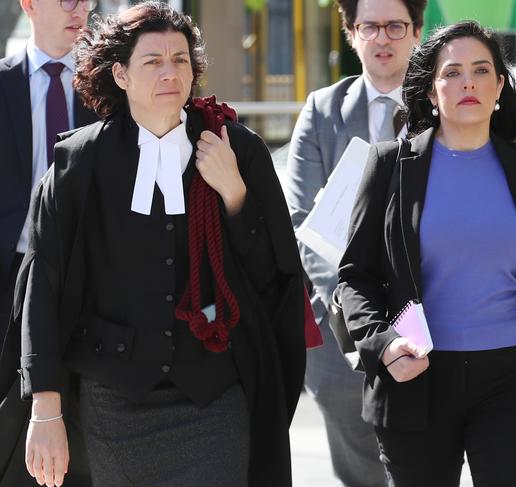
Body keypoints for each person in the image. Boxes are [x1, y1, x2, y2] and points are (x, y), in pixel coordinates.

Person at [0, 2, 306, 486]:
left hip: (214, 395)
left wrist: (235, 195)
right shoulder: (77, 163)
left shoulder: (236, 149)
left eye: (181, 59)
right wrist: (46, 407)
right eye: (153, 61)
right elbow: (43, 290)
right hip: (112, 401)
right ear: (120, 75)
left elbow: (275, 275)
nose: (171, 72)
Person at [337, 20, 516, 486]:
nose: (468, 83)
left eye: (481, 71)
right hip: (415, 379)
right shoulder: (389, 166)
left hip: (513, 381)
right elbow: (355, 277)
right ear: (431, 92)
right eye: (452, 73)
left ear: (500, 85)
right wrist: (384, 344)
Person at [285, 1, 426, 485]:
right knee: (360, 473)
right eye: (369, 26)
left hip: (428, 318)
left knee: (424, 465)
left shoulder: (441, 102)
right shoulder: (323, 110)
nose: (382, 38)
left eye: (395, 26)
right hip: (341, 328)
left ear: (416, 31)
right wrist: (352, 303)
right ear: (350, 33)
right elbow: (302, 219)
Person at [0, 0, 98, 353]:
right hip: (9, 270)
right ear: (29, 5)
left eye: (87, 1)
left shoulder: (110, 89)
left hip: (91, 276)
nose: (81, 11)